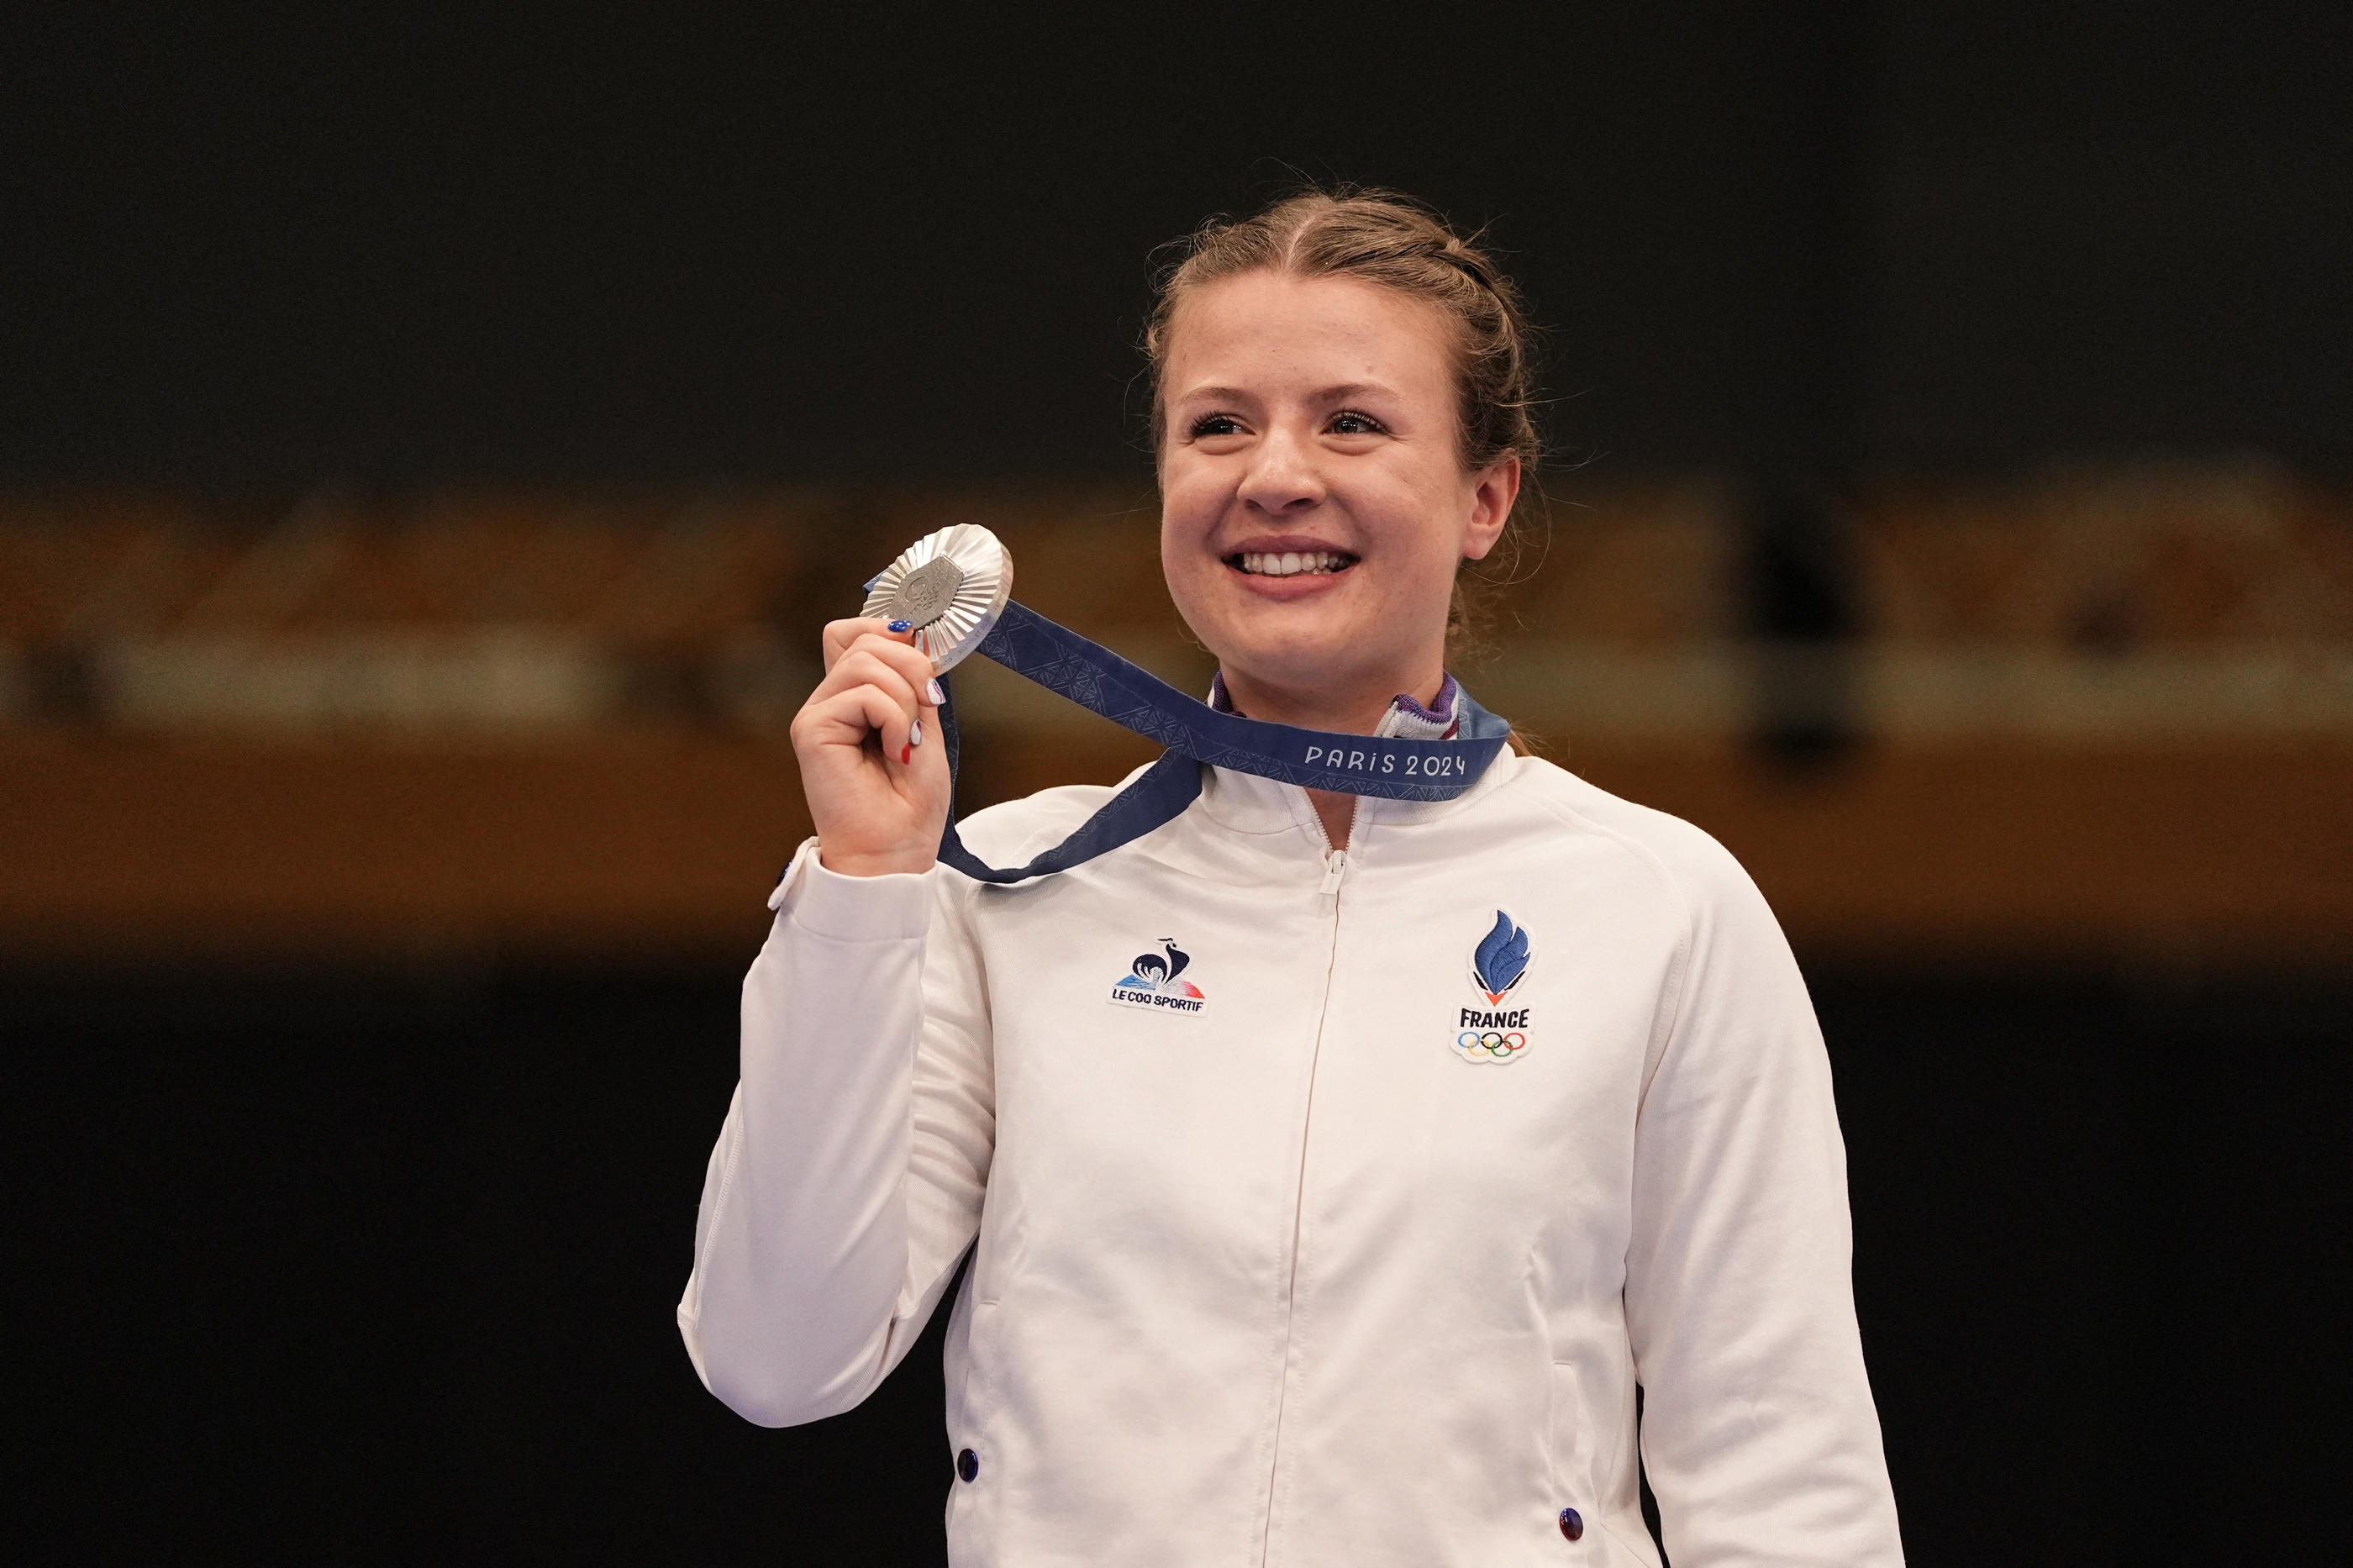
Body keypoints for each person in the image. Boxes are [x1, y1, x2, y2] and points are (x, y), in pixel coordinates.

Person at [678, 190, 1904, 1567]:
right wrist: (863, 885)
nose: (1274, 474)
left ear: (1485, 495)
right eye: (1218, 425)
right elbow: (775, 1358)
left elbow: (1781, 1469)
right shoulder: (997, 889)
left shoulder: (1659, 906)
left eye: (1352, 421)